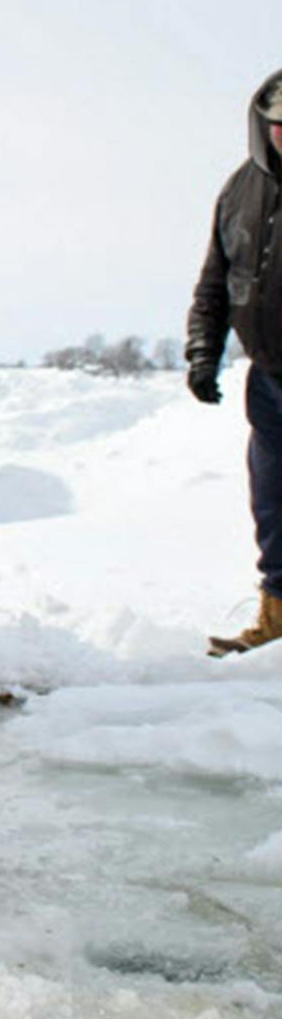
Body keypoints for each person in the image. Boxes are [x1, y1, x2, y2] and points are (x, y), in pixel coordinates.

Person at [186, 67, 282, 656]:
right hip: (269, 379)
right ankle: (276, 617)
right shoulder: (239, 190)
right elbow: (216, 282)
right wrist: (204, 350)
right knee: (273, 500)